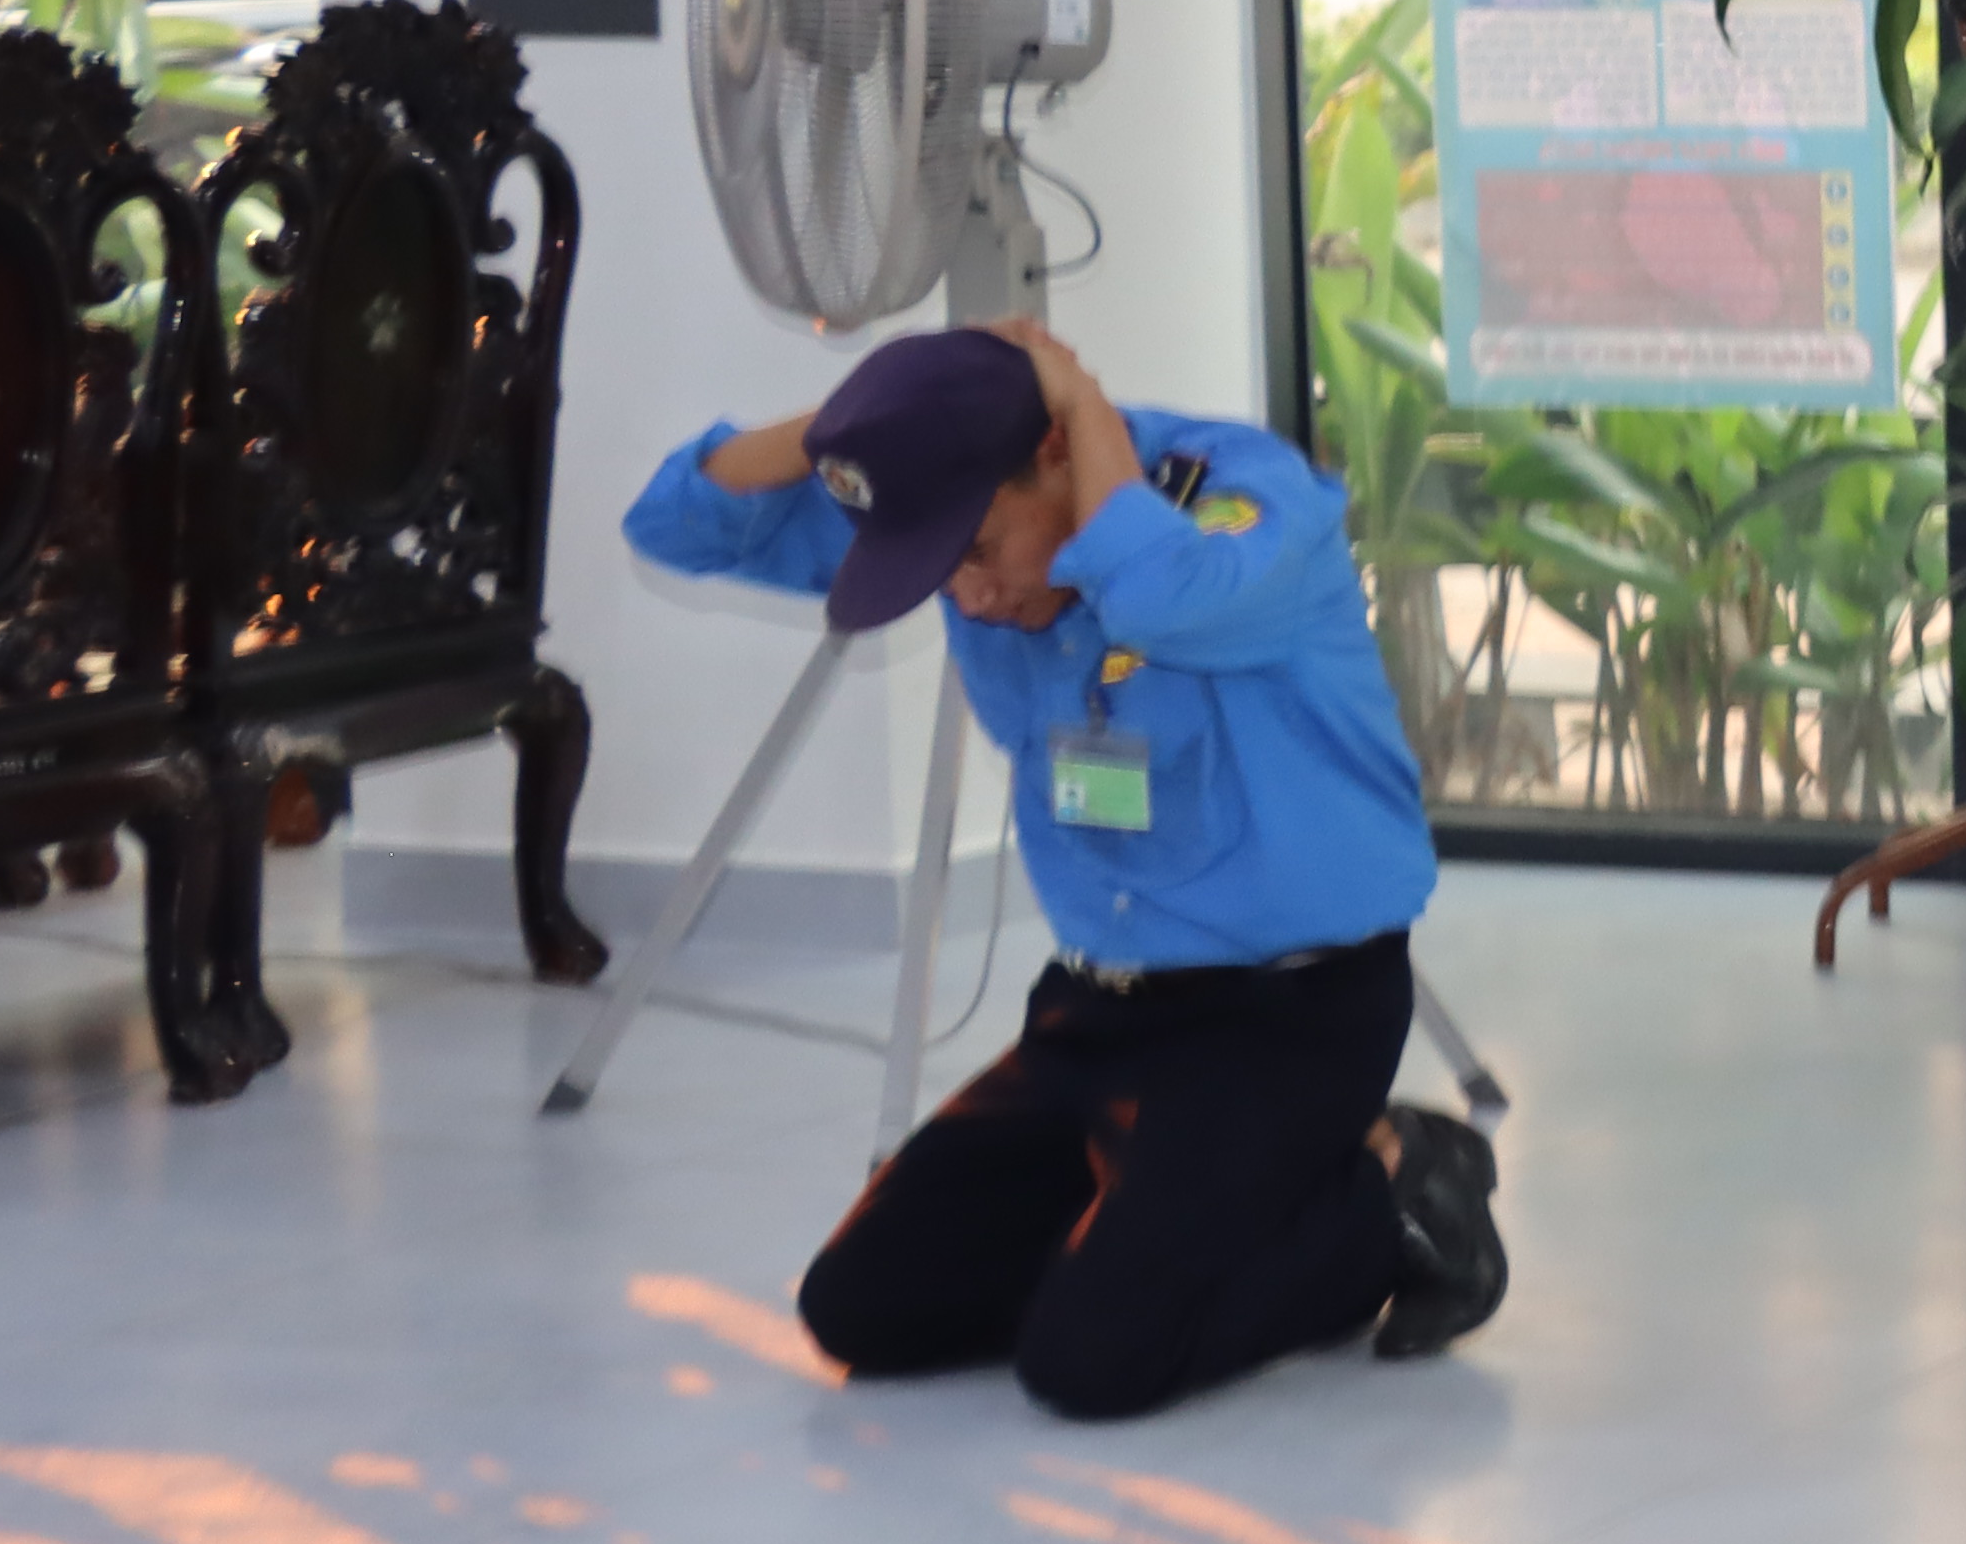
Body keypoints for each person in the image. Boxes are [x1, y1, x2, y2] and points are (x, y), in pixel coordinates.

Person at [623, 315, 1504, 1418]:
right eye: (941, 570)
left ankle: (1401, 1182)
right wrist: (867, 433)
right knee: (860, 1310)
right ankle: (1156, 1231)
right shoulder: (955, 498)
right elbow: (675, 521)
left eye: (981, 551)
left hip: (1289, 1015)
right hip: (1099, 1009)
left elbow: (1164, 598)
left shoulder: (1244, 503)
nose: (971, 596)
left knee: (1090, 1362)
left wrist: (1078, 401)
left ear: (1051, 452)